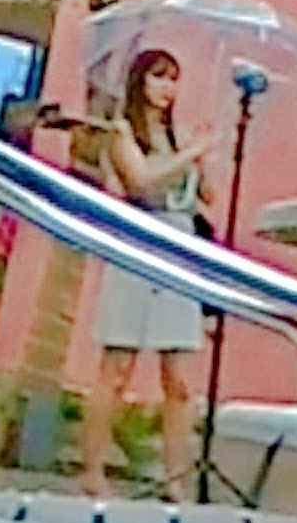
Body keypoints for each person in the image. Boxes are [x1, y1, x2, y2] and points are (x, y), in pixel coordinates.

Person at [75, 43, 207, 497]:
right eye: (158, 76)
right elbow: (143, 183)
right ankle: (92, 471)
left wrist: (200, 157)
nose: (166, 88)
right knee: (117, 365)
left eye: (173, 78)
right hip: (138, 245)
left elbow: (203, 198)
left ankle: (175, 478)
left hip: (177, 246)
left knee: (179, 377)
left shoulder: (179, 135)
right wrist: (187, 157)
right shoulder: (121, 131)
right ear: (139, 81)